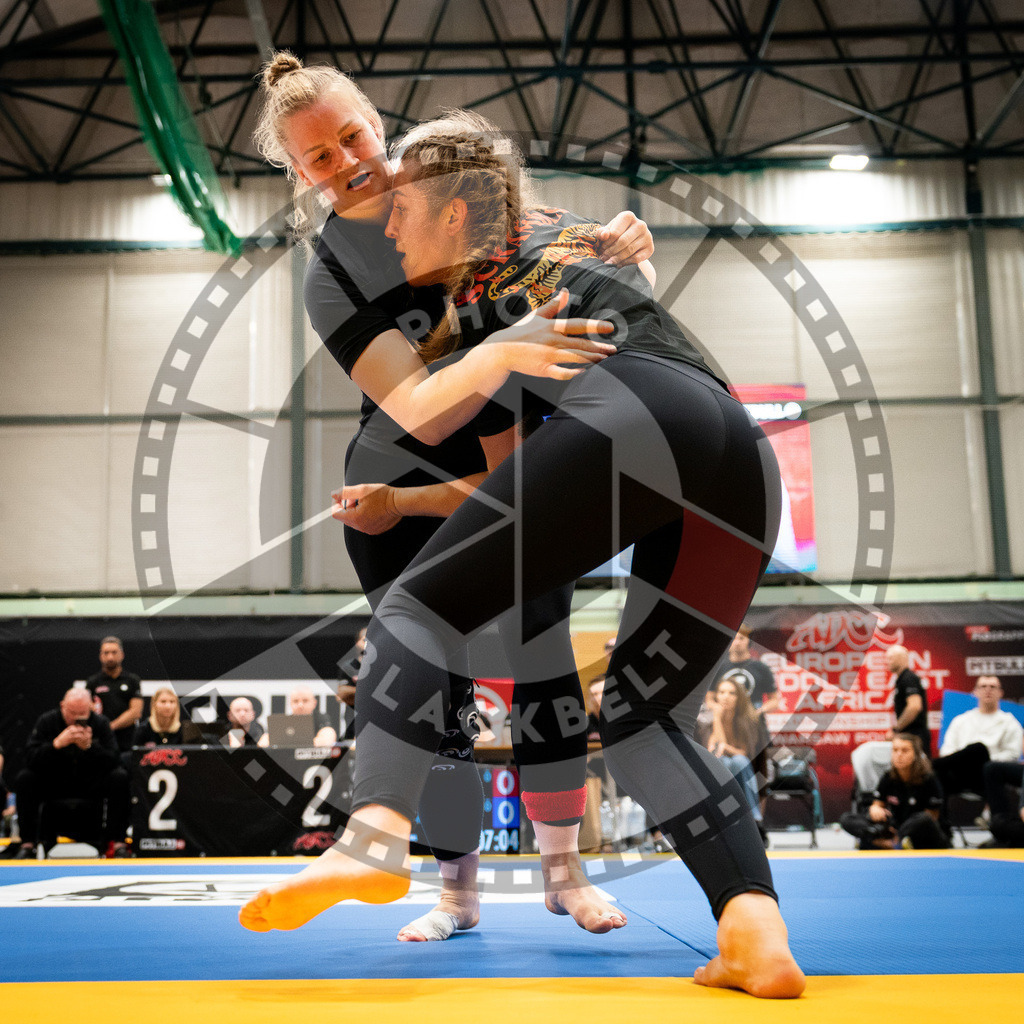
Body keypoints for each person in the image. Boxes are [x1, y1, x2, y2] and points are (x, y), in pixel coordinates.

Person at [241, 110, 804, 998]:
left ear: (455, 214)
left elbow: (446, 426)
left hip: (638, 420)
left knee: (417, 609)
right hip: (738, 449)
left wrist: (397, 500)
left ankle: (374, 838)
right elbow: (518, 487)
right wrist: (631, 245)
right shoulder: (554, 237)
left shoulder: (481, 307)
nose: (390, 227)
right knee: (641, 714)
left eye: (404, 215)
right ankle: (752, 929)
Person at [254, 52, 649, 942]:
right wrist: (499, 350)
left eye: (353, 135)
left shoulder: (451, 186)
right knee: (437, 693)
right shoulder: (333, 276)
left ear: (376, 122)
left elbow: (556, 241)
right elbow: (422, 411)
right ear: (295, 172)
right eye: (318, 156)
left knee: (545, 667)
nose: (347, 160)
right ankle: (455, 891)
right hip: (407, 484)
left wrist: (621, 243)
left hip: (519, 469)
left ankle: (563, 873)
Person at [11, 688, 130, 858]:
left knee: (120, 777)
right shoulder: (47, 721)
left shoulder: (101, 723)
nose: (76, 719)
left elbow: (115, 760)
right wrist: (56, 744)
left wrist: (90, 747)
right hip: (55, 783)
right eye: (72, 713)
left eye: (82, 714)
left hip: (90, 785)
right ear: (62, 706)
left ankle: (117, 843)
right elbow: (30, 758)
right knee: (25, 778)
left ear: (91, 708)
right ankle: (28, 844)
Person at [839, 734, 949, 850]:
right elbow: (877, 804)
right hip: (895, 827)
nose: (899, 755)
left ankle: (887, 842)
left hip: (921, 834)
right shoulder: (888, 777)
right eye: (895, 750)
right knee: (847, 818)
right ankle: (887, 842)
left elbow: (932, 817)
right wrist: (876, 810)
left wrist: (901, 831)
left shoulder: (928, 779)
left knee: (924, 819)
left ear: (916, 755)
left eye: (905, 751)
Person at [850, 643, 930, 797]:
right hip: (910, 736)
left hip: (914, 737)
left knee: (920, 779)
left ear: (903, 658)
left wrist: (896, 729)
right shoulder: (902, 680)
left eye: (891, 658)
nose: (887, 662)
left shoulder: (909, 678)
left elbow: (914, 707)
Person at [707, 678, 765, 832]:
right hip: (717, 763)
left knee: (739, 761)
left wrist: (725, 746)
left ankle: (754, 818)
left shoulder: (747, 719)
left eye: (732, 693)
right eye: (722, 692)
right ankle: (724, 819)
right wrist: (717, 718)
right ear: (716, 696)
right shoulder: (706, 719)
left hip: (741, 764)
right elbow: (715, 750)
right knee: (723, 763)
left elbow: (744, 753)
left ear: (739, 697)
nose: (726, 696)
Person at [84, 636, 143, 754]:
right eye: (106, 653)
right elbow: (87, 710)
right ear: (101, 656)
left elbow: (136, 712)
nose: (110, 657)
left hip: (127, 742)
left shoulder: (132, 680)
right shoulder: (92, 682)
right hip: (100, 742)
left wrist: (110, 726)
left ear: (122, 654)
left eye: (114, 652)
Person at [133, 688, 202, 747]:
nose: (168, 706)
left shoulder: (185, 730)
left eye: (172, 702)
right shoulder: (143, 730)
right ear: (154, 704)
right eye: (163, 702)